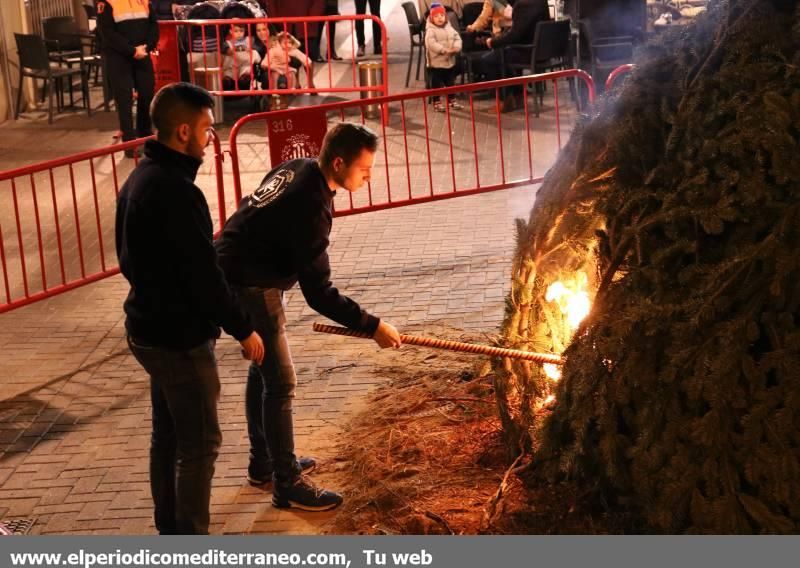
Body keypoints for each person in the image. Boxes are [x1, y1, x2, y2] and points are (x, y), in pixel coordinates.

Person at [215, 123, 402, 512]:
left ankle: (264, 462)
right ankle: (287, 483)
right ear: (338, 162)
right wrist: (373, 326)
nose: (369, 177)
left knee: (263, 369)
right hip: (248, 281)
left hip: (240, 268)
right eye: (364, 169)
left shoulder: (300, 166)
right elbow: (320, 293)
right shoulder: (310, 204)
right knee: (281, 382)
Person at [115, 83, 265, 534]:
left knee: (168, 435)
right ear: (182, 132)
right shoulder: (176, 192)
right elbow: (204, 275)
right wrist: (243, 328)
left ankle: (171, 530)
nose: (208, 138)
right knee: (199, 444)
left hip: (148, 328)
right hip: (178, 339)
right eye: (204, 129)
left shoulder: (141, 177)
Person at [96, 0, 159, 158]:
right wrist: (131, 50)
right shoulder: (107, 3)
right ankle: (129, 144)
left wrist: (147, 47)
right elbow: (108, 33)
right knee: (124, 100)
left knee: (146, 94)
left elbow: (153, 25)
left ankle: (145, 136)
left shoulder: (143, 1)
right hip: (119, 57)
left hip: (142, 53)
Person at [475, 0, 550, 111]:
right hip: (543, 51)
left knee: (489, 60)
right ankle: (518, 95)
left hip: (528, 52)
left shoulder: (522, 5)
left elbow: (514, 36)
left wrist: (493, 42)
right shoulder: (541, 2)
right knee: (503, 55)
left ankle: (505, 101)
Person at [425, 4, 463, 112]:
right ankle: (436, 101)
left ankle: (452, 100)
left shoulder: (449, 28)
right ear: (432, 18)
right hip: (436, 64)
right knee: (436, 84)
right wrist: (443, 50)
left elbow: (457, 38)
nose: (440, 18)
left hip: (449, 62)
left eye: (442, 15)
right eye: (436, 16)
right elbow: (431, 44)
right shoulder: (430, 30)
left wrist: (457, 47)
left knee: (450, 83)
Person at [223, 23, 261, 91]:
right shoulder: (228, 42)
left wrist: (250, 49)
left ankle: (244, 77)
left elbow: (255, 50)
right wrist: (229, 51)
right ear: (231, 31)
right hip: (233, 64)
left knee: (247, 68)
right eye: (236, 31)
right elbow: (225, 51)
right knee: (228, 71)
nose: (239, 33)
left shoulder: (249, 40)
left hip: (244, 63)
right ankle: (228, 79)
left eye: (241, 31)